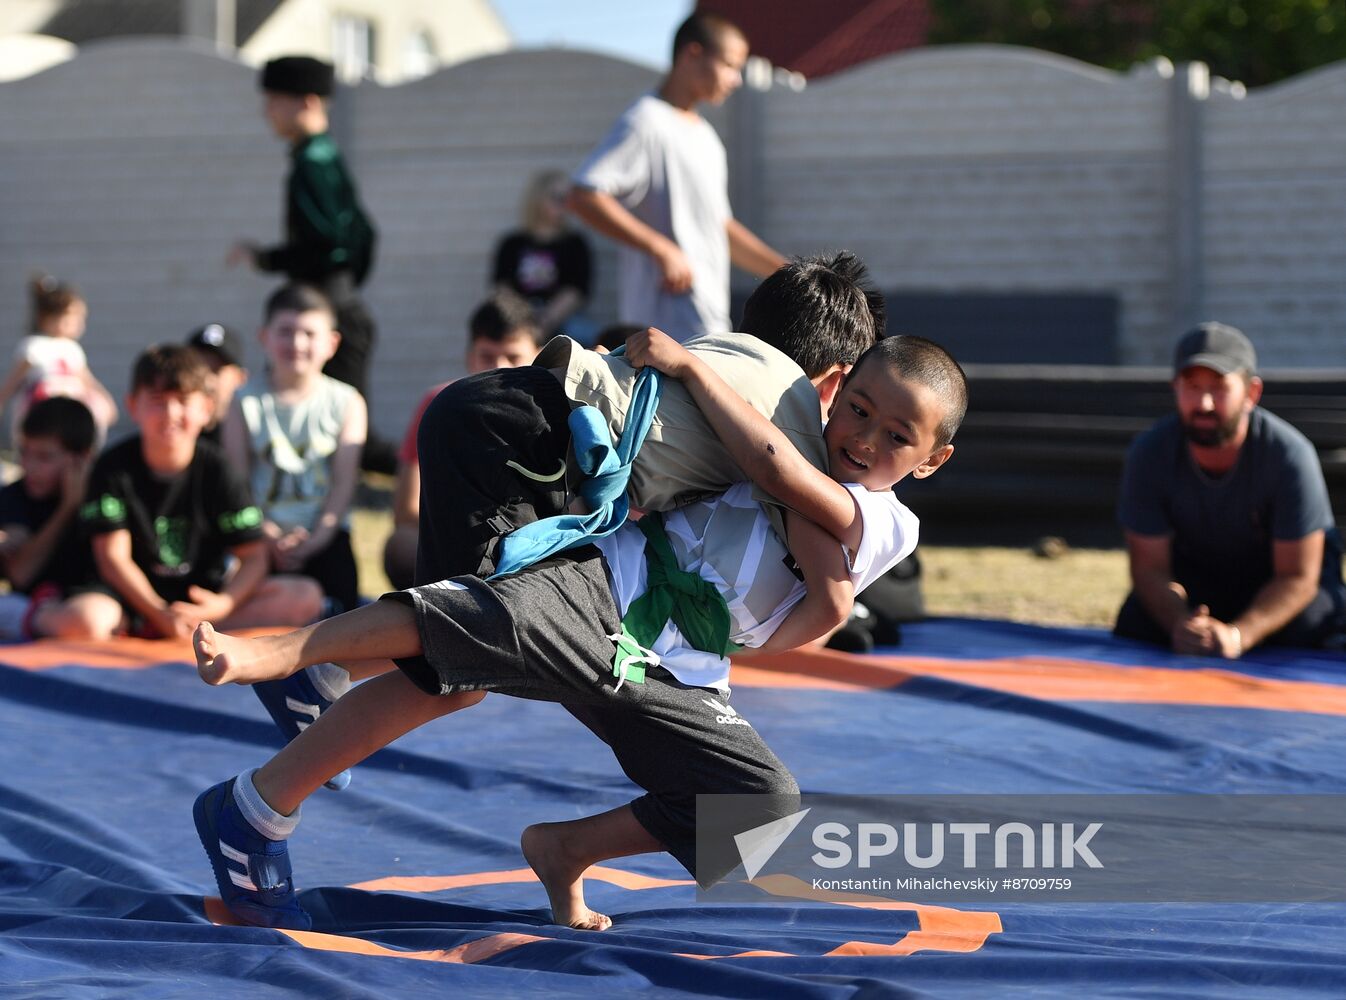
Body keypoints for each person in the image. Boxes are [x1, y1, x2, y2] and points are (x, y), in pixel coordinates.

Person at [189, 332, 965, 932]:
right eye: (858, 411)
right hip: (607, 589)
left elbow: (796, 509)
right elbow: (752, 483)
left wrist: (697, 374)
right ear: (833, 391)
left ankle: (564, 849)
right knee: (476, 628)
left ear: (933, 461)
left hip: (677, 669)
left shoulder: (884, 516)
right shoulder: (778, 431)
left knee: (759, 803)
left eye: (897, 437)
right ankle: (286, 657)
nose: (866, 438)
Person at [1115, 322, 1346, 656]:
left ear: (1252, 393)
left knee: (1315, 622)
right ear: (1175, 388)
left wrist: (1240, 635)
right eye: (1192, 386)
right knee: (1136, 622)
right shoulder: (1149, 453)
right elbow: (1149, 569)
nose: (1204, 403)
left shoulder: (1288, 456)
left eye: (1219, 387)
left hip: (1275, 580)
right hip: (1203, 581)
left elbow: (1298, 577)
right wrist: (1180, 625)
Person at [77, 344, 322, 639]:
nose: (171, 413)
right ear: (133, 406)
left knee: (304, 596)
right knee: (88, 618)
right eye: (157, 401)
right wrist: (157, 611)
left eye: (183, 401)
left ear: (206, 408)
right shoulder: (111, 467)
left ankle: (192, 630)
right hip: (130, 603)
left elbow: (254, 557)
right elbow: (112, 559)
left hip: (200, 604)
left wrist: (222, 605)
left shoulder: (218, 468)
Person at [568, 12, 787, 342]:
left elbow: (718, 226)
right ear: (692, 55)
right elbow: (584, 195)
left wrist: (785, 273)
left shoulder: (705, 135)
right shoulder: (646, 122)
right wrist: (660, 248)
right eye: (730, 65)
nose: (737, 80)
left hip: (706, 320)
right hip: (659, 332)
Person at [227, 55, 393, 474]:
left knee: (353, 437)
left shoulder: (313, 163)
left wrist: (267, 259)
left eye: (274, 101)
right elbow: (362, 236)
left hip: (330, 311)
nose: (266, 112)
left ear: (306, 102)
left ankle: (423, 478)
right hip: (339, 308)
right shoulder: (323, 156)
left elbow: (328, 244)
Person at [382, 291, 543, 590]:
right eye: (487, 356)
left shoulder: (555, 412)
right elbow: (406, 511)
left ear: (539, 355)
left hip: (528, 550)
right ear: (470, 356)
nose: (499, 368)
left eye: (513, 357)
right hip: (453, 544)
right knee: (402, 545)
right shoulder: (439, 404)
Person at [225, 284, 366, 616]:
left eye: (309, 334)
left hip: (325, 535)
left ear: (332, 343)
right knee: (236, 594)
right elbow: (237, 483)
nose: (297, 343)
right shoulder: (242, 401)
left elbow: (344, 483)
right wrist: (267, 532)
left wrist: (318, 538)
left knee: (342, 615)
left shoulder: (347, 402)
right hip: (258, 534)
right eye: (286, 332)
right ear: (264, 336)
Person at [0, 398, 110, 640]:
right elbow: (20, 573)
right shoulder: (14, 495)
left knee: (87, 617)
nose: (29, 466)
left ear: (82, 458)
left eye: (44, 457)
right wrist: (66, 509)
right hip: (29, 607)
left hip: (86, 604)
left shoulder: (105, 495)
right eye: (24, 453)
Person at [0, 275, 117, 444]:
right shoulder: (34, 346)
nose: (79, 324)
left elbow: (87, 380)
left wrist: (105, 399)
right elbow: (14, 381)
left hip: (70, 410)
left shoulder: (72, 349)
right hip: (40, 408)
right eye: (73, 317)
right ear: (48, 318)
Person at [491, 169, 595, 343]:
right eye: (558, 198)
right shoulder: (512, 243)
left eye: (568, 199)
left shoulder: (575, 243)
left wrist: (546, 320)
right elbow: (502, 287)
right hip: (518, 317)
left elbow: (576, 290)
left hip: (562, 318)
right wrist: (523, 320)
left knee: (586, 333)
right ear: (538, 199)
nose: (565, 205)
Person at [185, 323, 249, 447]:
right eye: (199, 370)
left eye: (216, 370)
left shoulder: (254, 435)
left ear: (240, 379)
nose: (208, 381)